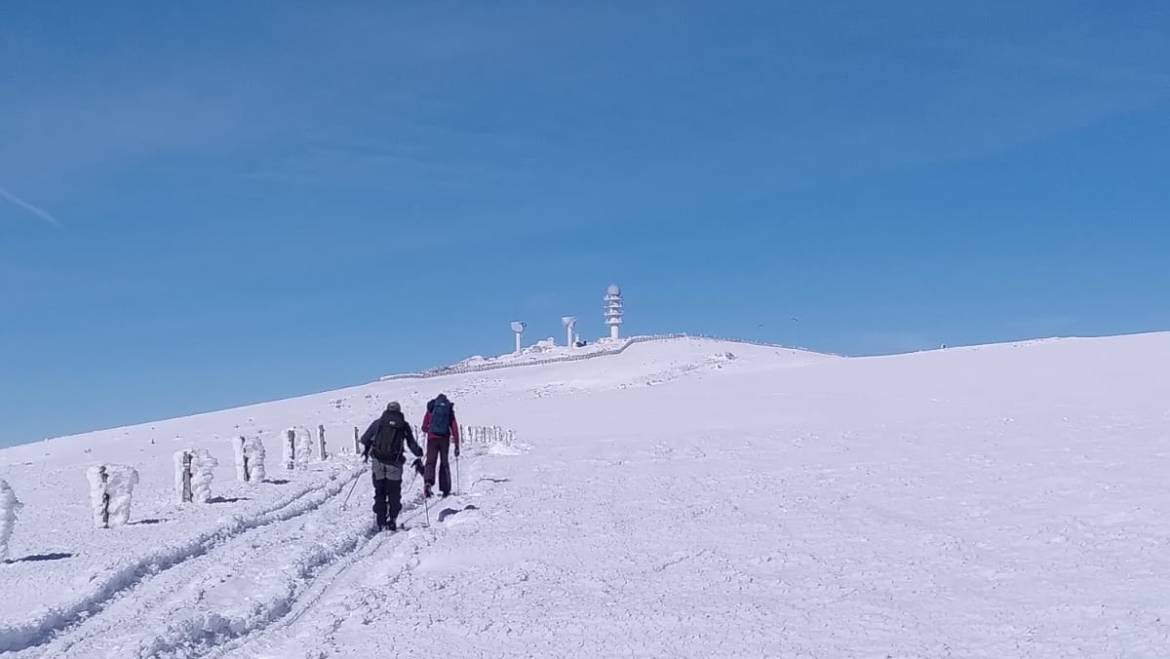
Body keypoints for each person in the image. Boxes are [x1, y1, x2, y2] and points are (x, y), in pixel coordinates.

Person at [359, 402, 423, 531]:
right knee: (394, 493)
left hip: (378, 463)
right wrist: (419, 453)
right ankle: (392, 519)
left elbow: (364, 439)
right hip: (395, 464)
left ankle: (381, 520)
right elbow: (411, 443)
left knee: (379, 492)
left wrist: (371, 445)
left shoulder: (378, 422)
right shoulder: (403, 425)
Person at [421, 393, 461, 497]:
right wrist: (456, 445)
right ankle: (445, 488)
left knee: (430, 462)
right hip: (444, 439)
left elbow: (424, 427)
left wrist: (429, 429)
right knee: (444, 462)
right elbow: (454, 427)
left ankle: (428, 483)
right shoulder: (448, 409)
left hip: (432, 439)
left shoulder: (431, 408)